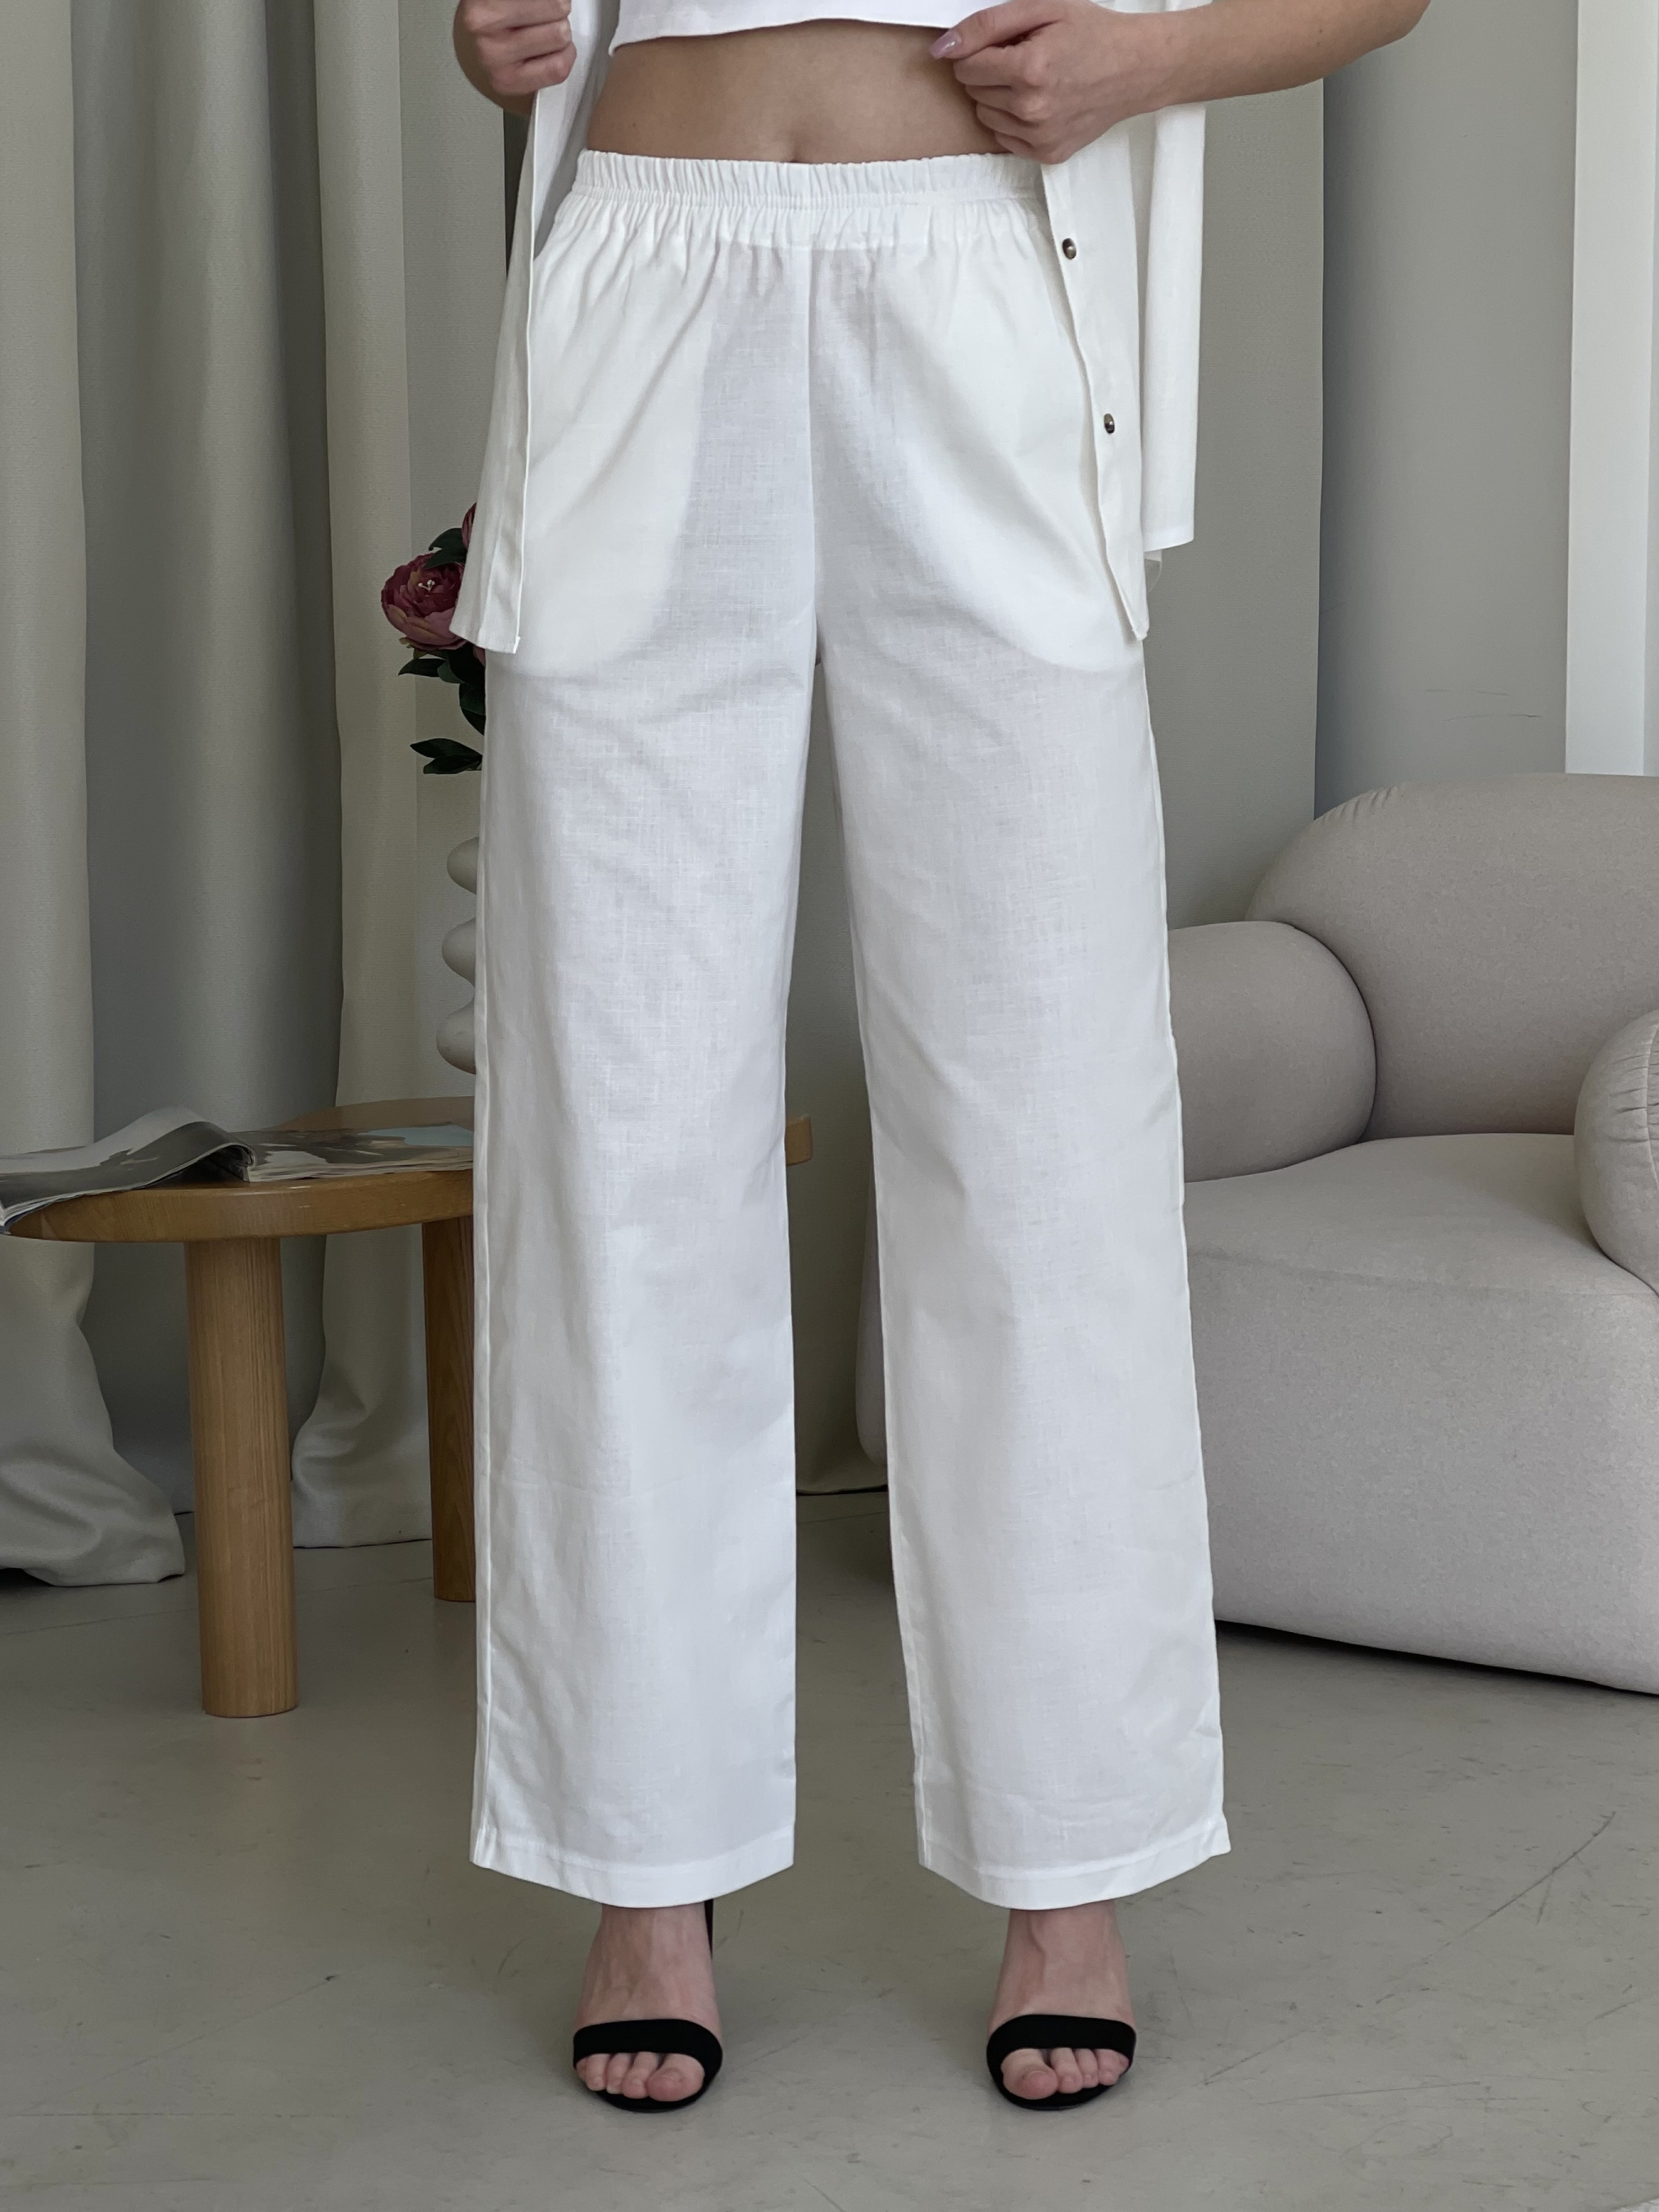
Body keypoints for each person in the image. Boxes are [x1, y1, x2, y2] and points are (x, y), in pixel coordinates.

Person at [449, 0, 1428, 2115]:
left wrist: (1150, 64)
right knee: (620, 1122)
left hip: (977, 272)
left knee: (1040, 1131)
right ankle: (644, 1862)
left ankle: (1067, 1866)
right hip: (643, 262)